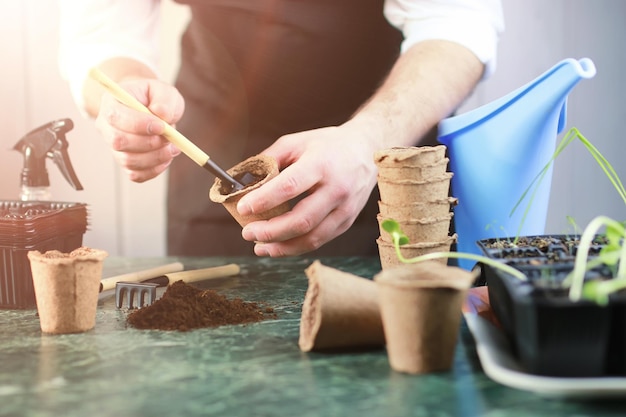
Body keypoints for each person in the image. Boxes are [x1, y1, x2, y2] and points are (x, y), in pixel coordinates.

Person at [58, 0, 504, 258]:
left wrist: (369, 142)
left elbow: (456, 25)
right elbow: (103, 35)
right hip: (219, 160)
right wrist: (126, 95)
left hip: (384, 152)